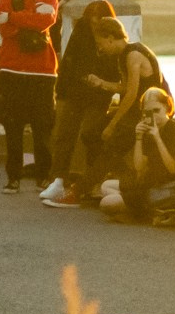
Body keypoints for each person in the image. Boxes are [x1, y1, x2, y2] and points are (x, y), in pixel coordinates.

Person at [67, 17, 164, 205]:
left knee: (110, 147)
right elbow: (125, 88)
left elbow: (132, 95)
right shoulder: (123, 55)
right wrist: (101, 83)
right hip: (134, 110)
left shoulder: (133, 55)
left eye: (100, 43)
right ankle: (110, 178)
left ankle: (78, 191)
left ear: (110, 38)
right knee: (90, 134)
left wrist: (112, 124)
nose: (100, 48)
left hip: (145, 113)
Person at [39, 0, 121, 206]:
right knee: (64, 134)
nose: (94, 26)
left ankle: (77, 182)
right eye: (92, 22)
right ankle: (58, 178)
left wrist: (100, 84)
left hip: (97, 94)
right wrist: (62, 91)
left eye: (97, 22)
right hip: (75, 90)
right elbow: (70, 61)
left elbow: (113, 70)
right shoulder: (82, 30)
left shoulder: (109, 36)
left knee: (86, 134)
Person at [0, 0, 58, 193]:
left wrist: (12, 17)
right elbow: (5, 31)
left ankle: (43, 176)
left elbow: (46, 22)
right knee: (13, 126)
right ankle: (13, 177)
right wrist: (30, 17)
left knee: (43, 126)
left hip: (43, 70)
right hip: (12, 68)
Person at [100, 87, 175, 224]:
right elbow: (139, 167)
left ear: (166, 107)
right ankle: (136, 209)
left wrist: (157, 137)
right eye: (148, 112)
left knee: (106, 203)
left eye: (157, 110)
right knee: (105, 186)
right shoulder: (148, 128)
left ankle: (136, 210)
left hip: (163, 188)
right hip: (146, 183)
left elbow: (173, 169)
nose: (153, 116)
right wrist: (139, 137)